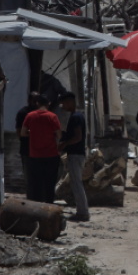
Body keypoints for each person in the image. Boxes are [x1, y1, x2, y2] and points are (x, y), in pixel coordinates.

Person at [20, 96, 62, 204]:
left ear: (37, 104)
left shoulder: (30, 116)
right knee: (50, 182)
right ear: (48, 104)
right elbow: (59, 135)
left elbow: (23, 133)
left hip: (35, 155)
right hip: (51, 155)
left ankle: (37, 206)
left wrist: (33, 133)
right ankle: (49, 204)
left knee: (36, 182)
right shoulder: (52, 116)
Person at [59, 91, 89, 223]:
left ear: (70, 102)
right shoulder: (77, 116)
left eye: (64, 103)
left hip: (76, 154)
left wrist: (65, 144)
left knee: (77, 184)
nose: (63, 106)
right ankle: (82, 211)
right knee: (76, 183)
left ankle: (83, 212)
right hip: (77, 154)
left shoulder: (76, 117)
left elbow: (78, 137)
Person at [13, 93, 40, 192]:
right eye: (34, 100)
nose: (36, 103)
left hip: (40, 149)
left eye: (38, 101)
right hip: (27, 148)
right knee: (29, 173)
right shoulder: (23, 113)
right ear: (29, 101)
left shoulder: (41, 113)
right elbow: (19, 131)